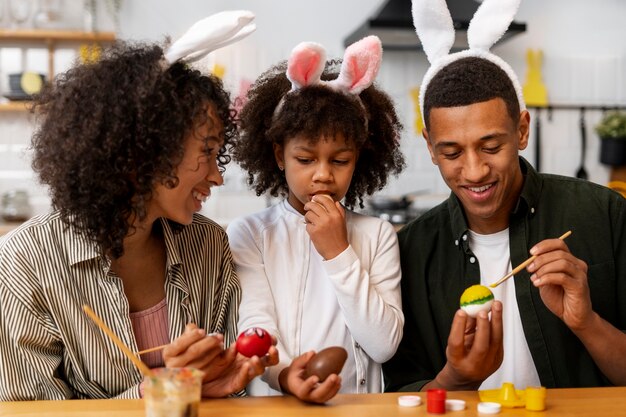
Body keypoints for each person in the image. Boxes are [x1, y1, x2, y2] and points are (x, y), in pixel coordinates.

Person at [0, 11, 279, 401]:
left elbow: (226, 391)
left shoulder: (210, 248)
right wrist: (164, 389)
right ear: (143, 151)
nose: (217, 176)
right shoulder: (25, 262)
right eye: (207, 151)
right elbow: (31, 414)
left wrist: (225, 380)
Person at [383, 0, 626, 392]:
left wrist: (586, 322)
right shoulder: (409, 251)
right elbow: (400, 398)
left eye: (491, 146)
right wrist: (457, 377)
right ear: (429, 147)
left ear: (523, 130)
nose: (475, 171)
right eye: (451, 152)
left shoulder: (606, 215)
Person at [227, 36, 406, 403]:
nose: (323, 175)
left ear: (358, 159)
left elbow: (384, 345)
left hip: (358, 408)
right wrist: (286, 376)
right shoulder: (251, 234)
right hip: (276, 406)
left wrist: (338, 251)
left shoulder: (377, 235)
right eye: (305, 160)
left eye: (339, 161)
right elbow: (255, 330)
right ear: (279, 155)